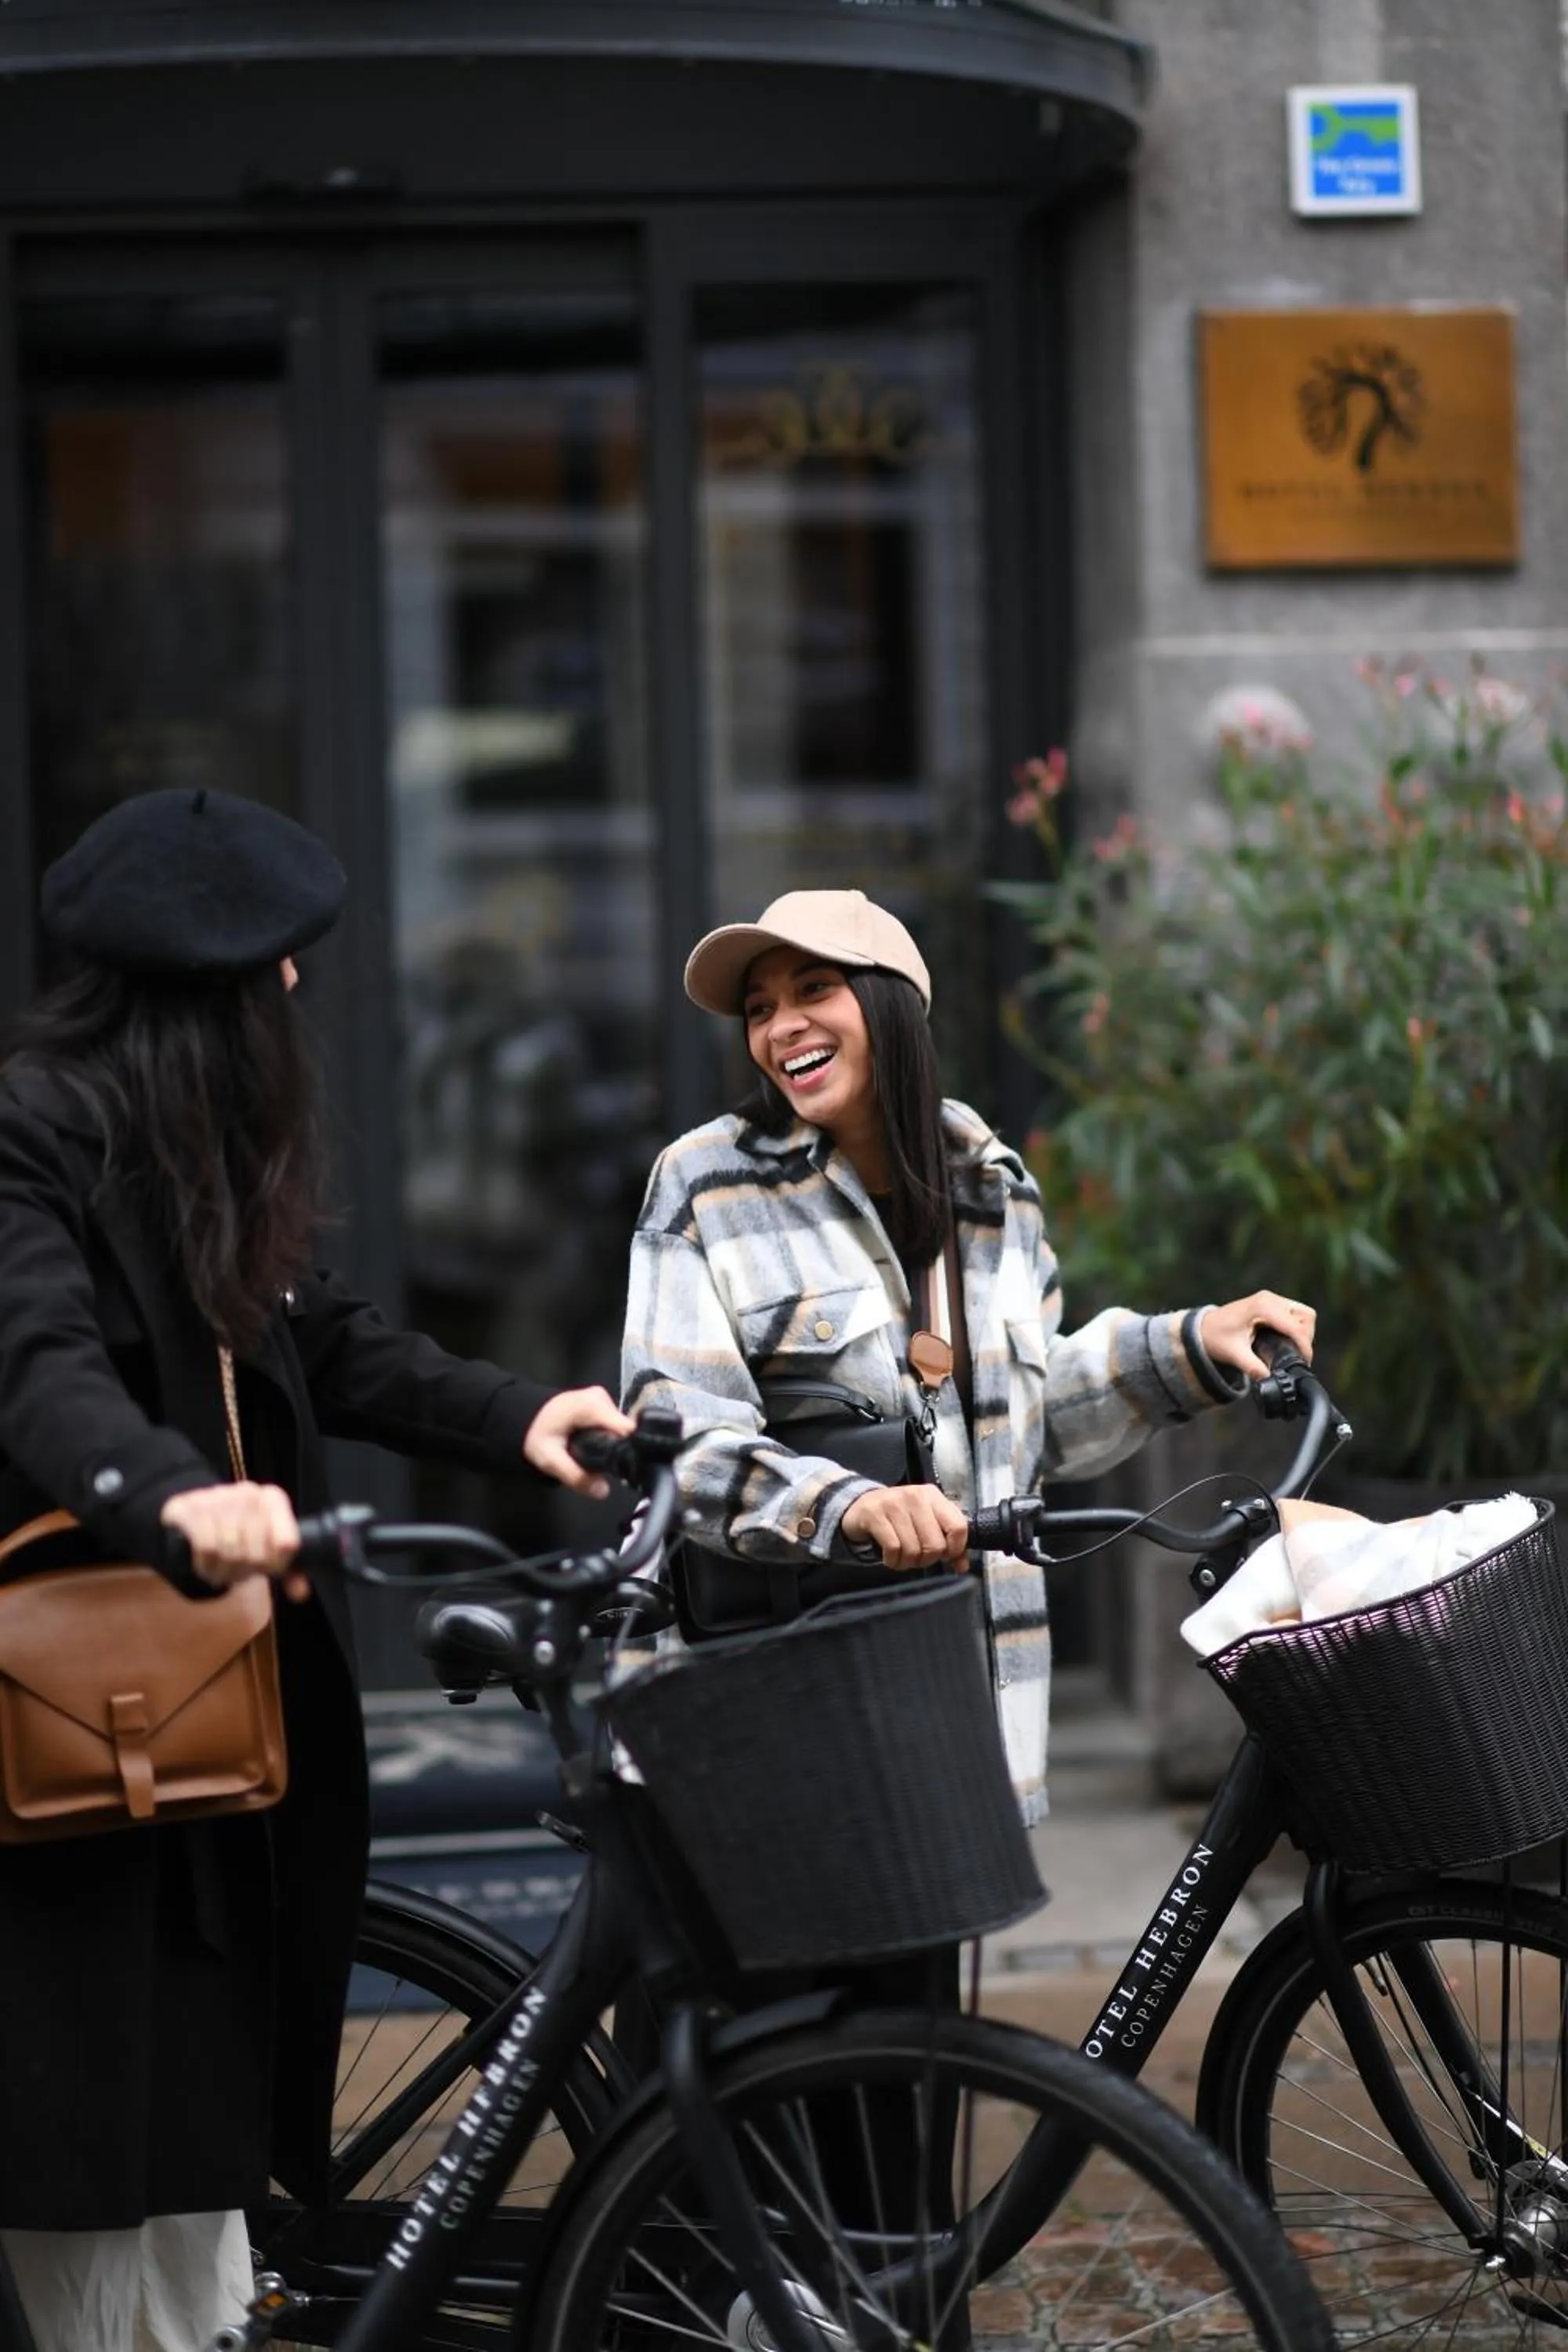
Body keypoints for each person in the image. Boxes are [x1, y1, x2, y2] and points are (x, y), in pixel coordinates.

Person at [0, 787, 633, 2352]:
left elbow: (328, 1340)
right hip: (65, 1746)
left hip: (203, 1724)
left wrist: (525, 1415)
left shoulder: (197, 1146)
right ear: (214, 988)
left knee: (196, 2164)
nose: (297, 991)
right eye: (277, 965)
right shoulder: (30, 1136)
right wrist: (170, 1498)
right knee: (83, 2173)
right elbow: (38, 1371)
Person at [622, 887, 1319, 1824]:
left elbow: (1022, 1429)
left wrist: (1191, 1347)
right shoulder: (705, 1184)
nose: (781, 1027)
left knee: (928, 1973)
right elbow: (682, 1448)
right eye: (758, 1009)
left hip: (967, 1688)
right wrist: (855, 1504)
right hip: (773, 1695)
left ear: (889, 1004)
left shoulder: (991, 1188)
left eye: (812, 990)